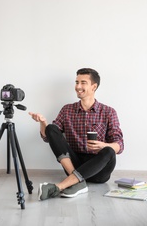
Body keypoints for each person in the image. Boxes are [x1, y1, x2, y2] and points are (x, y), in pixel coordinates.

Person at [29, 68, 124, 201]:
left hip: (99, 170)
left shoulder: (108, 112)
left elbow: (120, 144)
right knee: (51, 127)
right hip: (74, 165)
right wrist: (43, 123)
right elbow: (48, 137)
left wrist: (103, 145)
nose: (78, 86)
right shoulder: (67, 109)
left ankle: (62, 185)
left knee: (109, 150)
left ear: (94, 86)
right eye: (76, 82)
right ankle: (78, 182)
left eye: (83, 82)